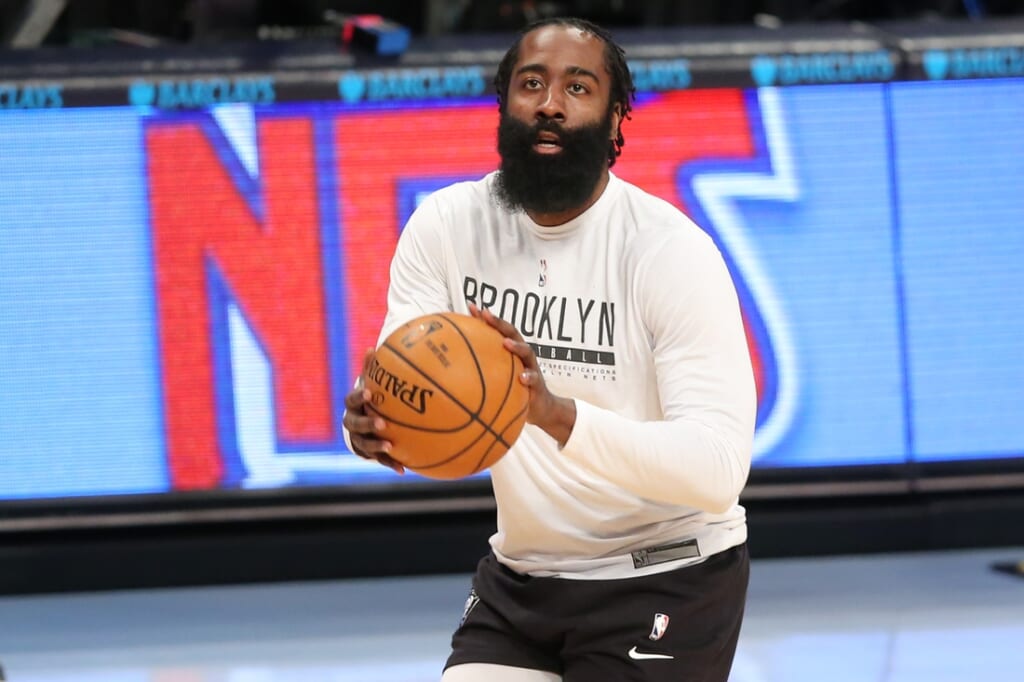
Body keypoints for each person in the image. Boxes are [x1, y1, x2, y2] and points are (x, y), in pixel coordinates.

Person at [343, 16, 755, 682]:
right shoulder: (446, 226)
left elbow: (716, 470)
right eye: (531, 84)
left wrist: (554, 413)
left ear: (616, 120)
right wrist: (372, 425)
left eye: (578, 87)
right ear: (504, 104)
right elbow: (402, 382)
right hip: (524, 576)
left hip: (668, 573)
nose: (550, 105)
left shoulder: (669, 252)